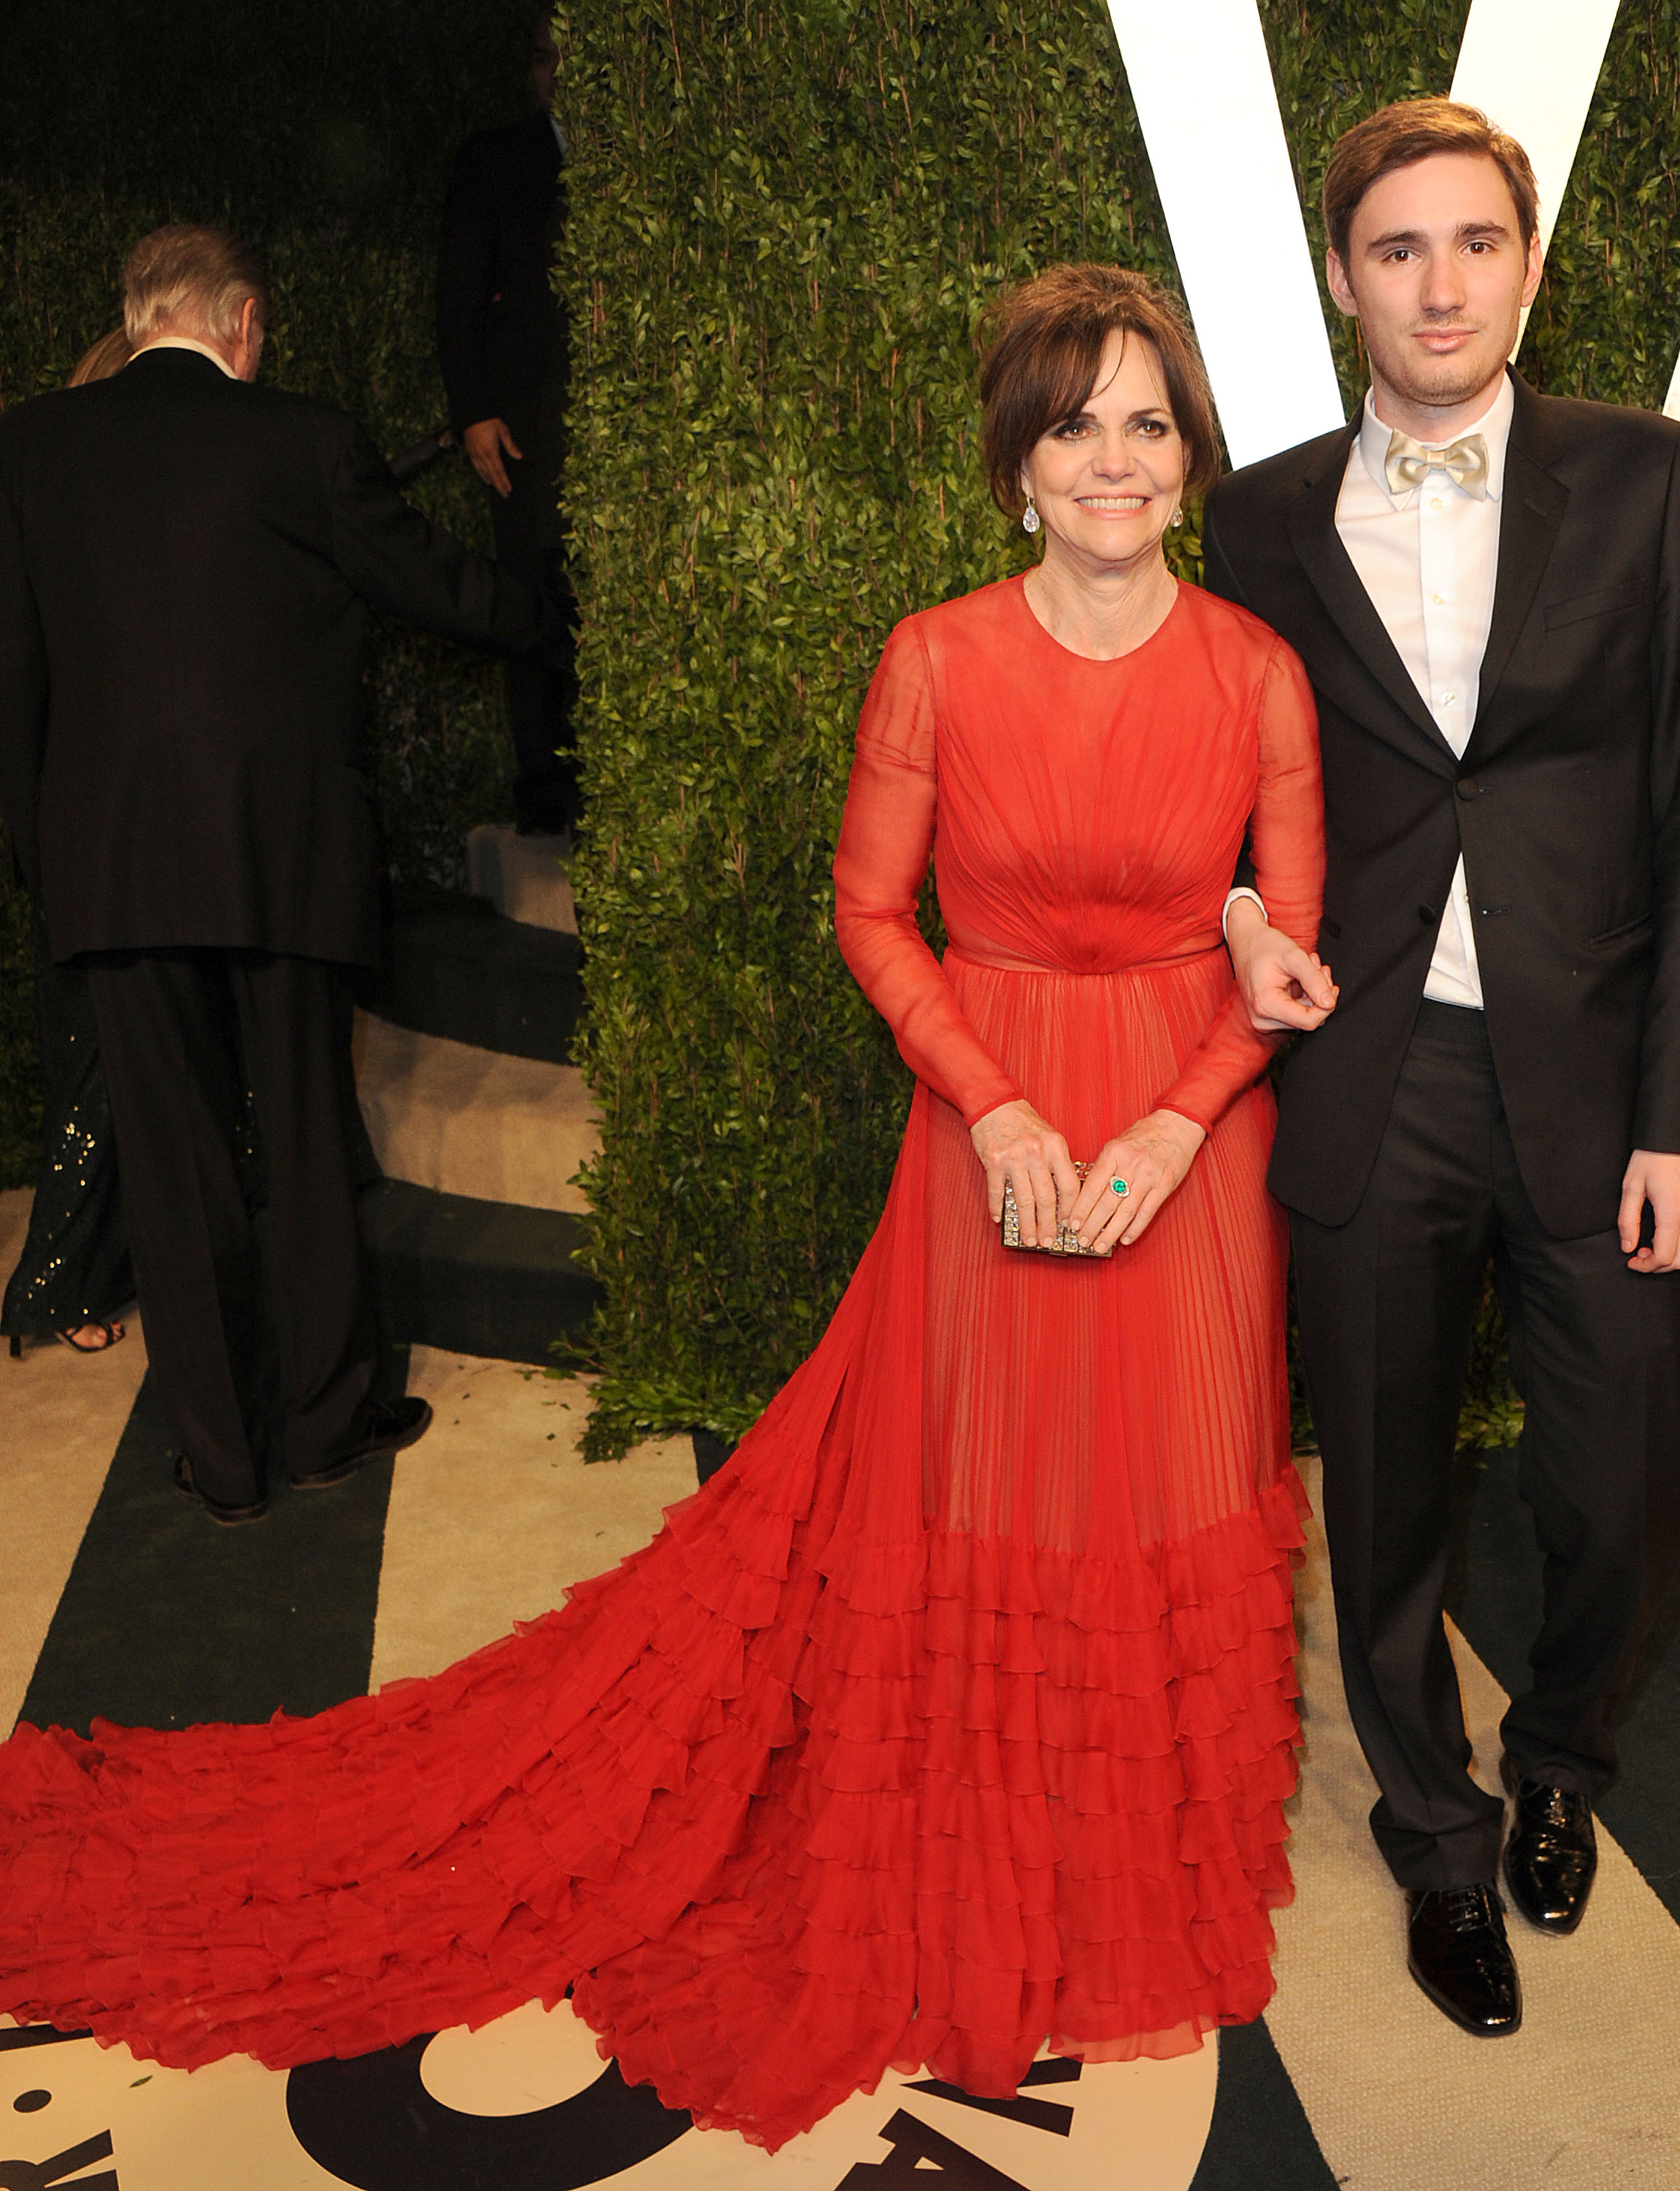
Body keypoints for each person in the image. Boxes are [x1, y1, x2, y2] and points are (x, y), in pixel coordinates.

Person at [0, 262, 1322, 2153]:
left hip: (1193, 1162)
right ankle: (1002, 1840)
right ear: (1013, 461)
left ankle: (1126, 1857)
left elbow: (1291, 921)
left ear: (1187, 458)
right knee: (1002, 1498)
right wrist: (1008, 1107)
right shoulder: (938, 658)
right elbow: (876, 917)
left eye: (1144, 422)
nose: (1110, 458)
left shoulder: (1256, 670)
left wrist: (1183, 1121)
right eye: (1071, 422)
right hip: (993, 1135)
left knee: (1166, 1499)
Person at [1203, 99, 1680, 2036]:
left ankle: (1563, 1766)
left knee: (1619, 1491)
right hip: (1364, 1079)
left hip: (1595, 1083)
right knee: (1386, 1499)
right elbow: (1213, 795)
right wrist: (1232, 924)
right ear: (1345, 276)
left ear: (1525, 262)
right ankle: (1434, 1837)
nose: (1436, 283)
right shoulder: (1258, 515)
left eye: (1472, 243)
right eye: (1396, 249)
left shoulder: (1649, 479)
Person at [0, 223, 561, 1523]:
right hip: (284, 856)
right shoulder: (302, 438)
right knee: (305, 1133)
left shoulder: (28, 446)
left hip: (111, 864)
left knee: (168, 1151)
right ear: (244, 322)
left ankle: (221, 1459)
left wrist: (46, 863)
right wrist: (553, 620)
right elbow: (429, 585)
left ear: (140, 317)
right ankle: (323, 1425)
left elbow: (12, 677)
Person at [2, 327, 136, 1360]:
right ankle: (56, 1282)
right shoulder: (57, 537)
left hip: (98, 835)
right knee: (97, 1066)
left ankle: (86, 1271)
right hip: (81, 841)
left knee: (112, 1061)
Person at [437, 8, 577, 836]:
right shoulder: (494, 157)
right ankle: (542, 792)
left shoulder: (633, 152)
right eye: (539, 57)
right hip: (521, 422)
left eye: (565, 56)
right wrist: (473, 413)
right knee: (529, 592)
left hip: (606, 421)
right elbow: (456, 296)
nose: (553, 70)